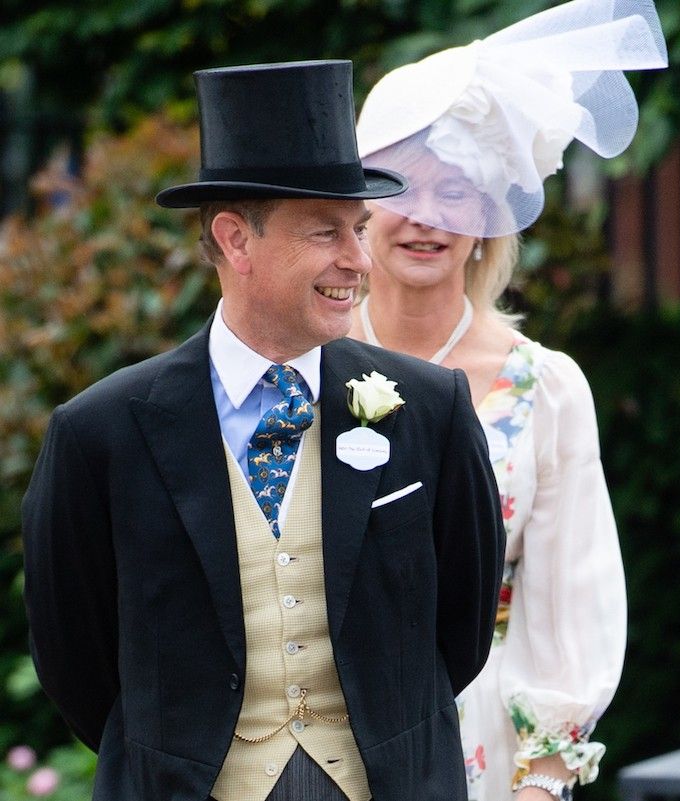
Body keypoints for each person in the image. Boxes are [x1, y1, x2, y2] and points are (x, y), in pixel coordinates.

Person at [21, 60, 505, 801]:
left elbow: (460, 630)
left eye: (358, 230)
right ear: (235, 241)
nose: (356, 260)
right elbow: (75, 657)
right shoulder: (100, 434)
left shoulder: (429, 408)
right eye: (325, 232)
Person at [349, 3, 666, 800]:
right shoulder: (301, 363)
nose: (428, 216)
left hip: (481, 739)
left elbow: (572, 597)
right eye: (403, 187)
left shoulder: (545, 385)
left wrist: (540, 782)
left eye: (457, 189)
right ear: (360, 205)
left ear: (491, 218)